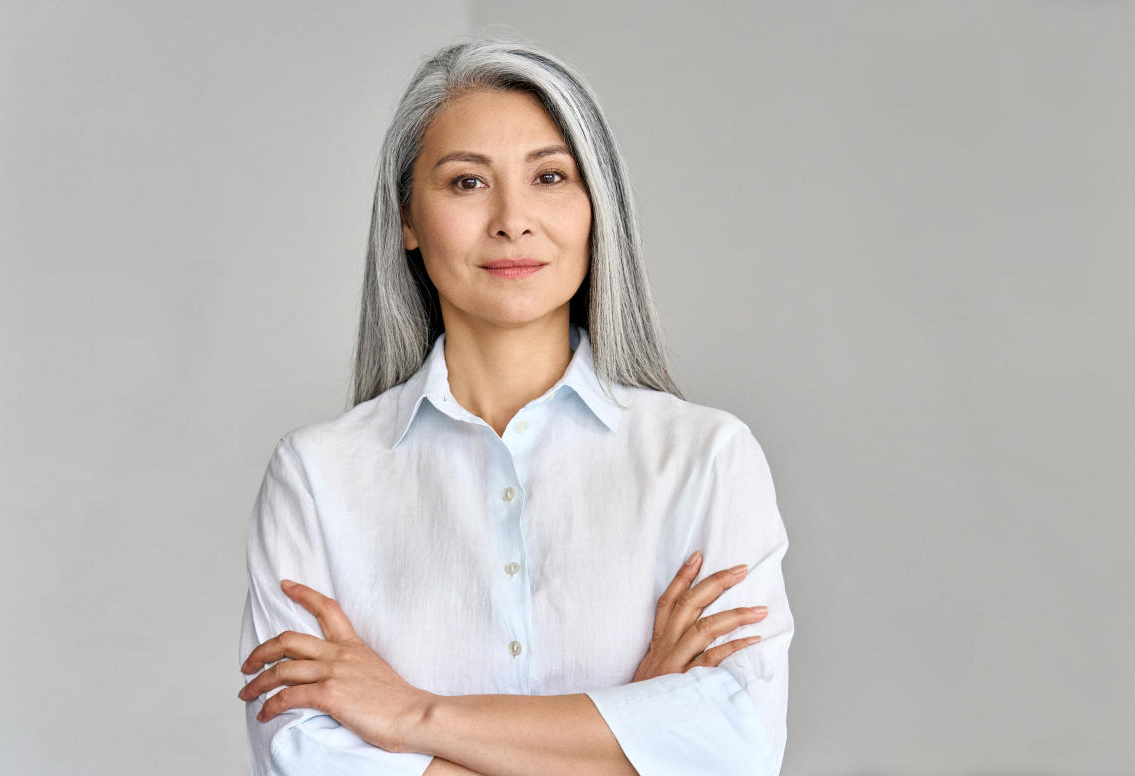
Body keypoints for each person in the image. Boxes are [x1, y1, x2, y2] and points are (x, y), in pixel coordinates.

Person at [236, 34, 794, 776]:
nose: (512, 219)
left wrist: (411, 716)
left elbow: (738, 749)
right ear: (407, 218)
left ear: (597, 207)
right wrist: (634, 729)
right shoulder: (317, 477)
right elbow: (306, 760)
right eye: (467, 183)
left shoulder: (706, 460)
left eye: (551, 177)